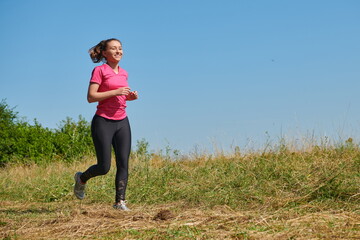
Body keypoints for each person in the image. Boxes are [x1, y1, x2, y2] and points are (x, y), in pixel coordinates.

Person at [74, 38, 138, 211]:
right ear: (104, 53)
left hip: (122, 121)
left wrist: (128, 97)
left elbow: (120, 97)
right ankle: (81, 179)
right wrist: (116, 91)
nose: (118, 51)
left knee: (123, 163)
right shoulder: (99, 70)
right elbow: (91, 97)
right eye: (113, 48)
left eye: (120, 48)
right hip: (103, 121)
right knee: (104, 167)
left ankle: (120, 202)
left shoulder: (124, 73)